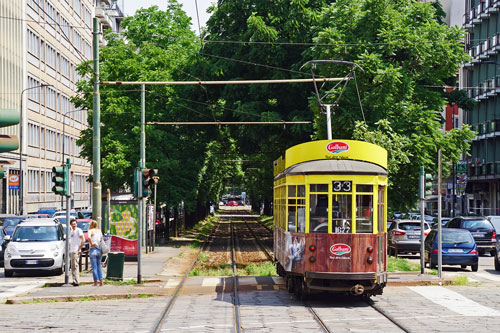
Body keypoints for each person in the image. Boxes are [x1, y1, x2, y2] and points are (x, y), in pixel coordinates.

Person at [88, 220, 104, 286]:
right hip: (99, 249)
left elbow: (88, 237)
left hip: (93, 249)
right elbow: (101, 238)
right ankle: (101, 281)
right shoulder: (99, 231)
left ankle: (95, 282)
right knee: (99, 267)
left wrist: (91, 243)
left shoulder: (90, 231)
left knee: (94, 267)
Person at [69, 219, 84, 286]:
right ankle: (74, 280)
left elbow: (83, 239)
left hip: (76, 250)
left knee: (75, 266)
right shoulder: (71, 231)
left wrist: (80, 248)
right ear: (70, 225)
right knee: (72, 266)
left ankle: (77, 281)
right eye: (72, 224)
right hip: (71, 250)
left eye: (75, 223)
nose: (74, 225)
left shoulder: (78, 230)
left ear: (76, 224)